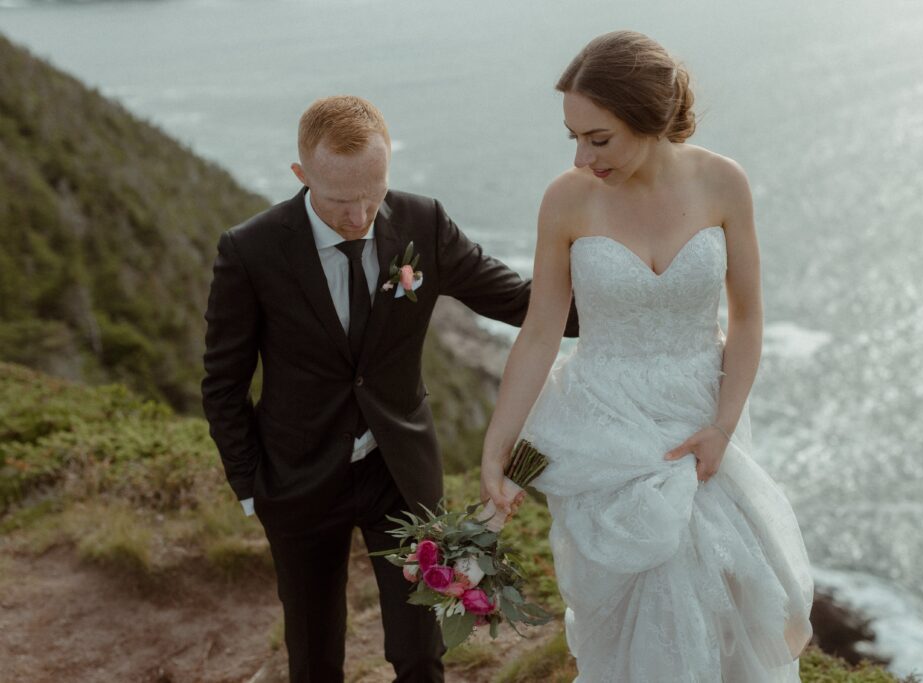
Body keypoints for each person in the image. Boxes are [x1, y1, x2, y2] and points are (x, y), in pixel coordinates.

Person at [201, 95, 576, 683]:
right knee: (314, 653)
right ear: (301, 176)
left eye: (372, 194)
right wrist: (251, 486)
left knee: (421, 652)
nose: (359, 216)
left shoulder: (422, 221)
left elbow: (516, 300)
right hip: (297, 478)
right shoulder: (250, 250)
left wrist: (630, 307)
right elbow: (222, 383)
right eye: (340, 200)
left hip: (398, 470)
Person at [480, 31, 814, 681]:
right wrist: (501, 443)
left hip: (701, 415)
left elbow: (747, 320)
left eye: (598, 138)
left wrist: (721, 425)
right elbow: (541, 332)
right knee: (642, 603)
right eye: (573, 137)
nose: (582, 156)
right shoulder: (567, 199)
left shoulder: (724, 182)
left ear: (652, 118)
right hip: (601, 422)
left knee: (724, 596)